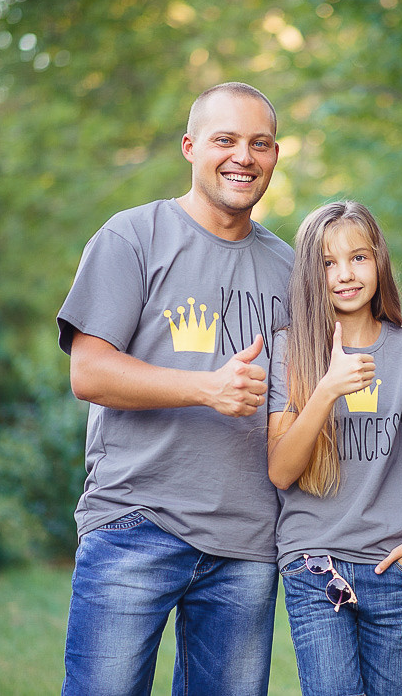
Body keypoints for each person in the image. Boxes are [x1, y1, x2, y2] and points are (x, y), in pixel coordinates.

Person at [55, 82, 293, 695]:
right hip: (136, 522)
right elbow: (90, 372)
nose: (244, 156)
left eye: (259, 143)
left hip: (247, 542)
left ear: (274, 155)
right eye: (225, 140)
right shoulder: (132, 236)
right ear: (190, 147)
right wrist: (206, 389)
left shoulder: (290, 268)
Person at [266, 201, 402, 696]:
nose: (344, 274)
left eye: (358, 258)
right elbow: (281, 471)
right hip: (314, 564)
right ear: (309, 273)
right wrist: (326, 388)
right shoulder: (290, 349)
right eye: (327, 262)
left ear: (379, 262)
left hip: (393, 561)